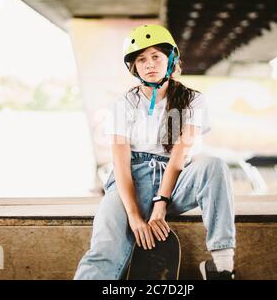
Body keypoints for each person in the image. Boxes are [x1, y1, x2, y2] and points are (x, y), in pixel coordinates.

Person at [74, 24, 235, 280]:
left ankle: (223, 267)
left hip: (176, 180)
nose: (149, 64)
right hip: (131, 182)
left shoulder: (194, 100)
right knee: (103, 248)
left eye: (156, 57)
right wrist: (135, 217)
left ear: (171, 59)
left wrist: (161, 203)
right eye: (141, 59)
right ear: (134, 67)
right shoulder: (123, 105)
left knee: (213, 165)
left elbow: (179, 156)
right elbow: (121, 164)